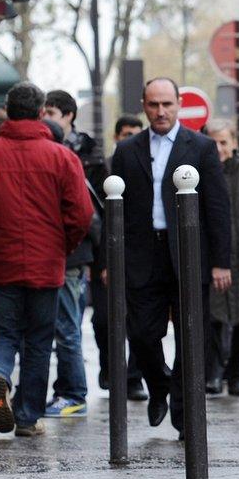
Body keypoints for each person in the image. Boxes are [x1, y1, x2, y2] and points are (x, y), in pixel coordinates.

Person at [0, 82, 94, 436]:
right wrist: (63, 246)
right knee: (38, 339)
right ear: (39, 111)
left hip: (2, 261)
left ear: (7, 111)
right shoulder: (61, 157)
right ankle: (28, 417)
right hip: (47, 264)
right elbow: (81, 213)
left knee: (2, 330)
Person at [110, 77, 231, 439]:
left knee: (192, 337)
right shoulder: (127, 150)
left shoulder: (202, 148)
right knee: (143, 334)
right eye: (153, 105)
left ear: (178, 104)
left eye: (167, 104)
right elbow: (115, 208)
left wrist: (221, 261)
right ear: (144, 106)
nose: (160, 112)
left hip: (190, 253)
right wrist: (109, 262)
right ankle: (160, 384)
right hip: (143, 255)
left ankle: (183, 411)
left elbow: (218, 208)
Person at [40, 90, 101, 418]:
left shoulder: (83, 155)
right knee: (64, 324)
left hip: (73, 253)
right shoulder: (62, 152)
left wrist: (82, 248)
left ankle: (73, 393)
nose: (46, 118)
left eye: (51, 111)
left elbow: (91, 213)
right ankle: (67, 389)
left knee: (66, 326)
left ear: (69, 116)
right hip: (67, 251)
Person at [95, 115, 148, 401]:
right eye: (126, 134)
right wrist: (105, 262)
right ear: (116, 137)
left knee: (139, 321)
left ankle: (134, 377)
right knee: (104, 319)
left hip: (140, 256)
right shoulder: (103, 167)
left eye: (136, 135)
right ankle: (109, 368)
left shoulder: (146, 166)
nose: (131, 140)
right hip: (109, 252)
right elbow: (104, 219)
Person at [204, 118, 239, 397]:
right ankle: (214, 373)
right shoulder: (203, 173)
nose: (219, 148)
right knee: (215, 317)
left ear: (234, 143)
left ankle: (236, 374)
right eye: (214, 142)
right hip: (215, 258)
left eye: (224, 142)